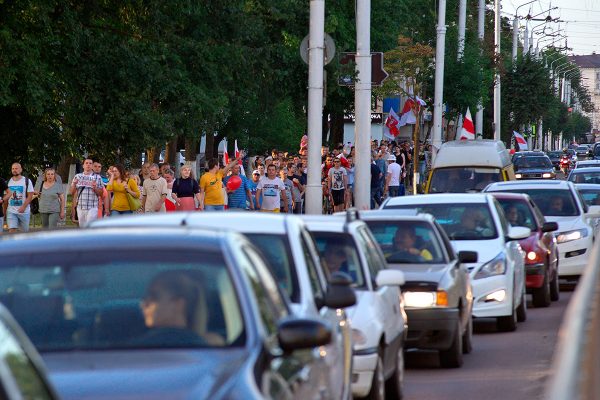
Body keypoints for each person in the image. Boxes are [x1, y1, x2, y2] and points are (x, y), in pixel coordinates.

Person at [138, 271, 208, 347]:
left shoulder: (142, 346)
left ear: (178, 304)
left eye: (154, 297)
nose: (143, 304)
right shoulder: (204, 346)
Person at [70, 158, 103, 227]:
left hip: (92, 207)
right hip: (80, 207)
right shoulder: (77, 176)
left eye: (90, 163)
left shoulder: (98, 177)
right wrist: (74, 185)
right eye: (86, 163)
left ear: (92, 166)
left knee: (90, 227)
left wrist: (95, 188)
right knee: (82, 228)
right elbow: (71, 192)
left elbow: (101, 193)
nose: (88, 165)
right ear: (83, 166)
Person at [5, 163, 35, 232]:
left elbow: (30, 196)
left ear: (21, 170)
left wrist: (23, 207)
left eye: (16, 168)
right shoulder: (8, 182)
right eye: (13, 168)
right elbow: (6, 197)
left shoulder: (27, 181)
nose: (14, 170)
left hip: (24, 212)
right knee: (11, 230)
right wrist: (4, 211)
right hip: (11, 211)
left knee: (24, 233)